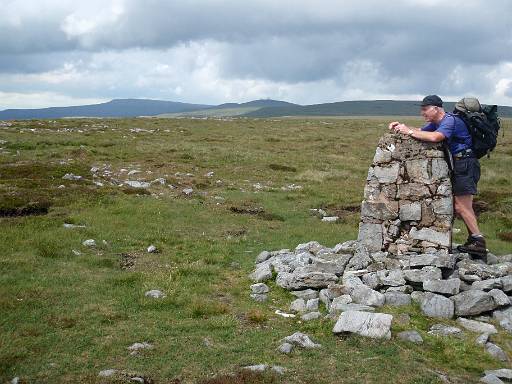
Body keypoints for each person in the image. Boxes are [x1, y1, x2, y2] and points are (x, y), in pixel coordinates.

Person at [388, 94, 488, 258]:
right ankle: (474, 242)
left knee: (462, 207)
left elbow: (435, 137)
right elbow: (420, 131)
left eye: (425, 109)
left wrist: (408, 131)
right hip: (461, 164)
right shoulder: (438, 123)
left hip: (465, 164)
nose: (423, 113)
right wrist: (402, 127)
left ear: (436, 108)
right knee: (462, 206)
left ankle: (478, 241)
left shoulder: (450, 121)